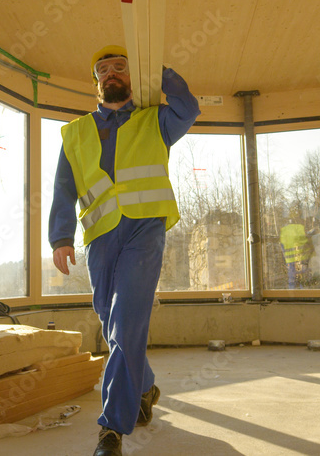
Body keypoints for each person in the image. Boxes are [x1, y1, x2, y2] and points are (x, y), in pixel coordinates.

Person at [49, 45, 200, 456]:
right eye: (103, 69)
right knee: (112, 320)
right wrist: (60, 237)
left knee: (126, 320)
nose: (111, 73)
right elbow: (64, 187)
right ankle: (145, 386)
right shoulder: (76, 132)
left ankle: (111, 429)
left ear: (134, 78)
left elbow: (188, 108)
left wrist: (161, 72)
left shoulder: (156, 120)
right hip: (100, 235)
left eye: (120, 67)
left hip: (144, 228)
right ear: (96, 82)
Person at [279, 214, 314, 289]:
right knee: (302, 278)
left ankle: (292, 293)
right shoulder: (300, 228)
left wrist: (285, 260)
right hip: (300, 258)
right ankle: (303, 292)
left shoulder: (284, 230)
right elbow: (305, 242)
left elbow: (283, 246)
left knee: (292, 278)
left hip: (291, 259)